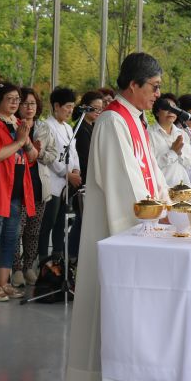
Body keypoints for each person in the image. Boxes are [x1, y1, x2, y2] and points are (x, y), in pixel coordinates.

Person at [67, 53, 169, 381]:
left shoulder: (135, 119)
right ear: (133, 85)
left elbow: (150, 171)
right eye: (154, 86)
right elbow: (125, 183)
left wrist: (169, 202)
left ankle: (118, 372)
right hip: (116, 228)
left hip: (139, 225)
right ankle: (101, 377)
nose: (158, 94)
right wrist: (155, 216)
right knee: (106, 300)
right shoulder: (113, 121)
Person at [0, 82, 38, 301]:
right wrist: (19, 141)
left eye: (17, 99)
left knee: (11, 237)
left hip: (17, 189)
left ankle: (4, 282)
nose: (15, 103)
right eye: (10, 99)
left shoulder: (18, 122)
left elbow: (32, 156)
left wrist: (26, 142)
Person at [36, 87, 82, 263]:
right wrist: (66, 173)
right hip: (53, 182)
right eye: (67, 106)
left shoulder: (68, 128)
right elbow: (47, 156)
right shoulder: (46, 126)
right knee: (48, 222)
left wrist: (76, 170)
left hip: (67, 184)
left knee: (61, 223)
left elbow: (74, 152)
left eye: (72, 107)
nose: (70, 110)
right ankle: (43, 259)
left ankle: (57, 257)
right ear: (56, 106)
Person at [12, 87, 44, 286]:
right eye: (24, 103)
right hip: (19, 185)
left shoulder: (43, 127)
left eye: (32, 103)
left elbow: (50, 154)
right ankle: (16, 269)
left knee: (34, 230)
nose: (29, 107)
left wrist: (38, 152)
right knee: (17, 229)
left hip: (39, 183)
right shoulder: (13, 126)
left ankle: (29, 267)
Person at [67, 91, 104, 262]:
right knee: (81, 219)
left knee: (82, 220)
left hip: (89, 179)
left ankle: (74, 254)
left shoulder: (92, 126)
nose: (97, 112)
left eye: (100, 109)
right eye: (94, 108)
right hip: (83, 180)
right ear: (85, 107)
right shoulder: (81, 129)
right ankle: (72, 254)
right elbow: (86, 158)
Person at [150, 95, 191, 188]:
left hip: (182, 187)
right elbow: (150, 166)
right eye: (166, 107)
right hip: (161, 188)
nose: (171, 111)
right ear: (157, 112)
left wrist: (180, 153)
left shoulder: (182, 134)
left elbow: (190, 163)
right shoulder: (149, 134)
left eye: (174, 107)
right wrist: (173, 152)